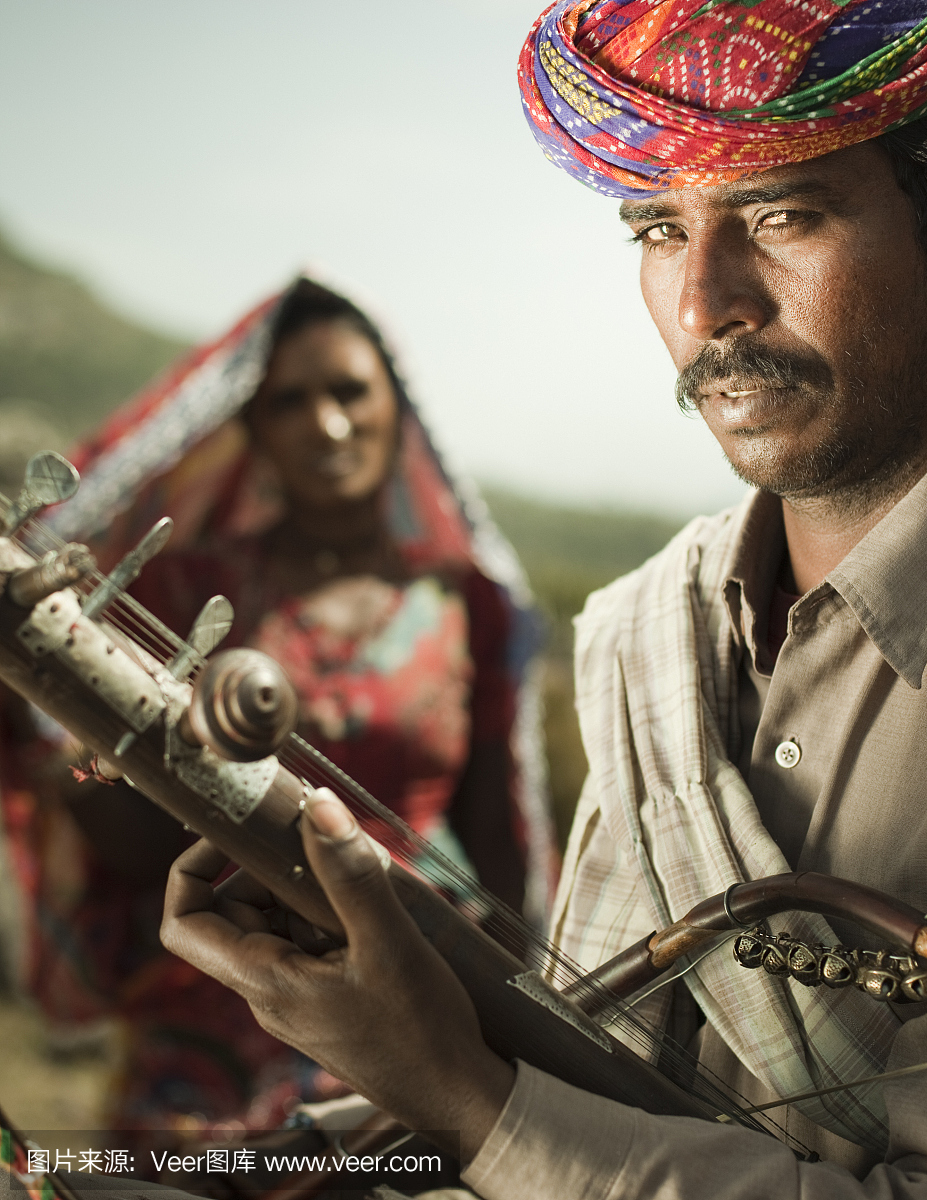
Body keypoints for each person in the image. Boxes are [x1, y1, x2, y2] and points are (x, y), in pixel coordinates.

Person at [157, 4, 927, 1198]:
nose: (706, 304)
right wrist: (369, 1063)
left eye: (780, 214)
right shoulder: (654, 622)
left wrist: (459, 1095)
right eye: (659, 227)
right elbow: (603, 1064)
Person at [0, 277, 555, 1140]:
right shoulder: (181, 584)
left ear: (395, 408)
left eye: (349, 392)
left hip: (415, 1022)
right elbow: (140, 838)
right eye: (291, 400)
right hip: (213, 1026)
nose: (327, 424)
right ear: (252, 426)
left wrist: (527, 1036)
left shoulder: (466, 604)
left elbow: (497, 835)